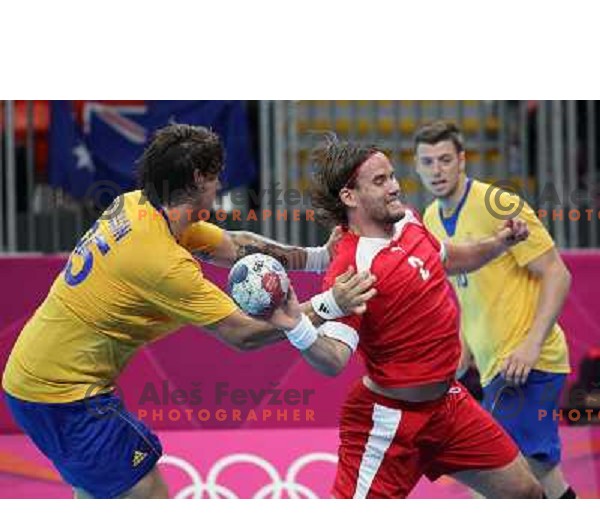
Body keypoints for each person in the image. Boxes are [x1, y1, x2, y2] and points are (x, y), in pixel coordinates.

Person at [1, 124, 374, 499]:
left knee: (101, 493)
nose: (220, 185)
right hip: (64, 395)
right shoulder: (161, 262)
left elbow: (236, 245)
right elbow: (242, 333)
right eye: (216, 176)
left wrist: (320, 258)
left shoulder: (140, 206)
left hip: (38, 378)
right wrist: (329, 305)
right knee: (145, 492)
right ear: (199, 178)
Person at [268, 134, 543, 499]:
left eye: (393, 176)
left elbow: (449, 257)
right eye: (380, 182)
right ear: (350, 197)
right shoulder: (353, 265)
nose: (395, 187)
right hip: (389, 421)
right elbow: (333, 359)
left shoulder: (409, 222)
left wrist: (499, 244)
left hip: (449, 405)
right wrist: (297, 326)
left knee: (526, 494)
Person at [415, 120, 574, 499]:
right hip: (492, 366)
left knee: (495, 478)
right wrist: (463, 348)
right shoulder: (431, 220)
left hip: (527, 362)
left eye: (445, 160)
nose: (437, 170)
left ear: (462, 160)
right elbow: (463, 288)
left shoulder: (496, 204)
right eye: (428, 162)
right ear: (417, 167)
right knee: (540, 475)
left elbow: (558, 272)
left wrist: (531, 345)